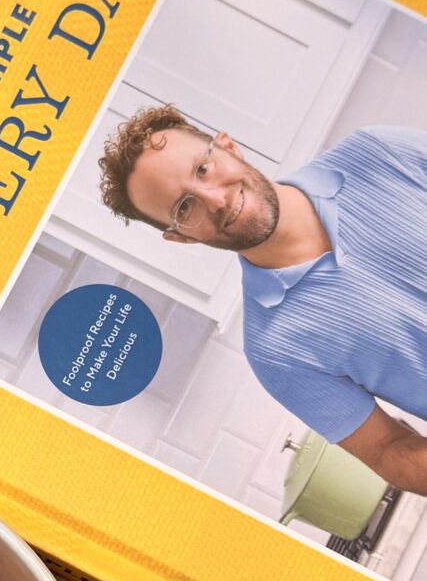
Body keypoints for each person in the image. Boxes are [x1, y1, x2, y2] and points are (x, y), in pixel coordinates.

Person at [98, 106, 427, 495]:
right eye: (184, 207)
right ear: (181, 237)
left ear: (227, 146)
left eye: (203, 169)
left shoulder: (378, 152)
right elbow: (386, 449)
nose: (215, 200)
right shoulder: (274, 350)